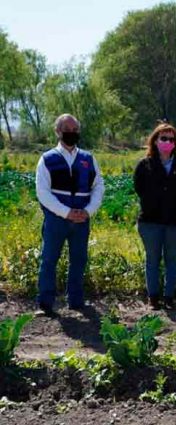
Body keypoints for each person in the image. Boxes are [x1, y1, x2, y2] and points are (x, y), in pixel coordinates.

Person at [35, 114, 105, 316]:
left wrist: (87, 211)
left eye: (75, 130)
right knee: (49, 259)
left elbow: (98, 186)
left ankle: (75, 301)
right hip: (56, 220)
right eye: (67, 129)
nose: (72, 133)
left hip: (82, 219)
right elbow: (43, 192)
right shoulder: (47, 159)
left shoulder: (88, 159)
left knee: (79, 259)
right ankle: (46, 303)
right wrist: (66, 213)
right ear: (58, 132)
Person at [134, 122, 176, 311]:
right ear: (155, 140)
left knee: (172, 259)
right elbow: (139, 189)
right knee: (152, 259)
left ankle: (169, 296)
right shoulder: (144, 165)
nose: (167, 142)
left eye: (171, 139)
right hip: (150, 221)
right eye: (163, 138)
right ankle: (153, 297)